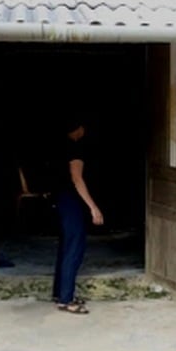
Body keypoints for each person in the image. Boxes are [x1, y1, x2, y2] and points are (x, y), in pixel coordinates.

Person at [51, 118, 103, 314]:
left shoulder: (59, 146)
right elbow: (77, 178)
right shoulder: (74, 149)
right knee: (74, 248)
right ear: (79, 128)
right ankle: (66, 300)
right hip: (71, 202)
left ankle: (60, 293)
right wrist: (93, 207)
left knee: (66, 247)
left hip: (60, 201)